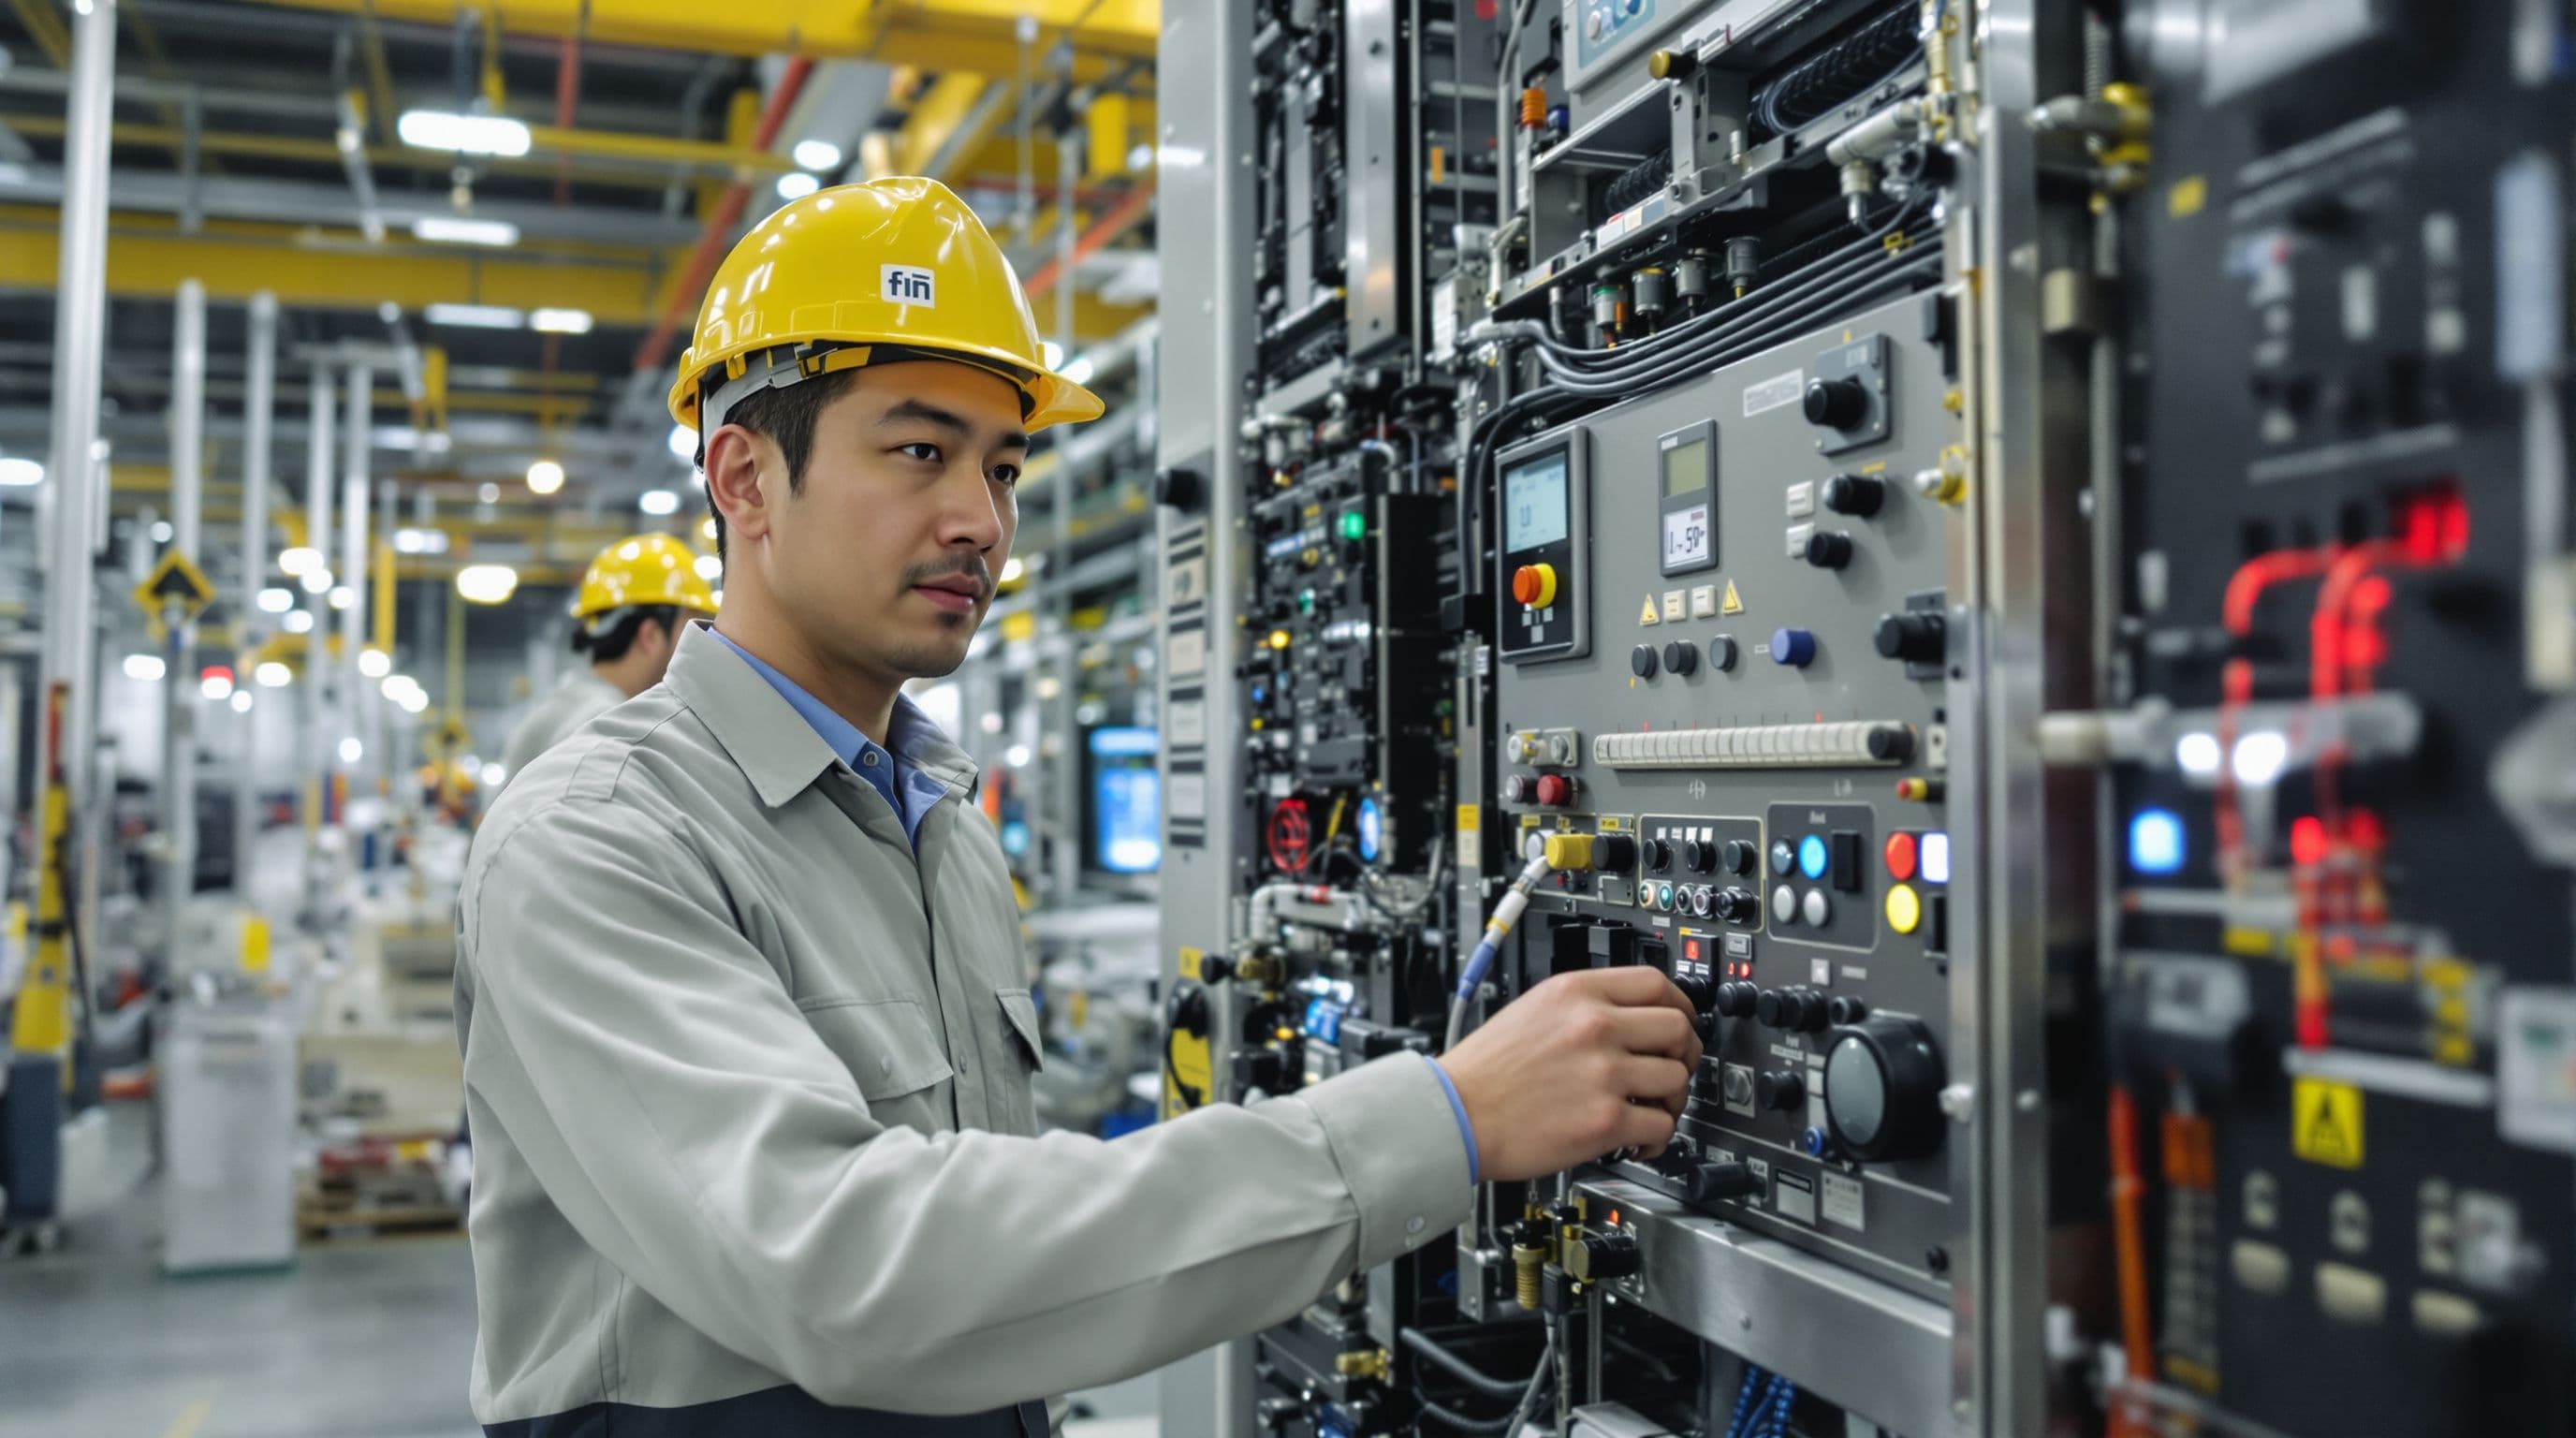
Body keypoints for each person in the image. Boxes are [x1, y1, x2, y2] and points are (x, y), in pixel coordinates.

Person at [454, 177, 1703, 1436]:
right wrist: (1439, 1121)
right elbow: (845, 1280)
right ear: (746, 479)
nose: (980, 522)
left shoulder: (933, 819)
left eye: (1002, 466)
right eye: (917, 450)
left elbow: (988, 1244)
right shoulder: (598, 836)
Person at [493, 533, 716, 785]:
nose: (698, 643)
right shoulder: (616, 729)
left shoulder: (547, 715)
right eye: (689, 628)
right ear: (651, 635)